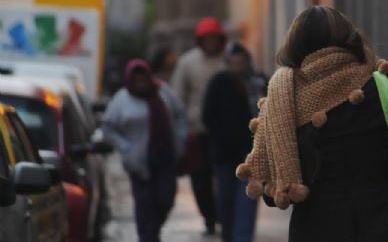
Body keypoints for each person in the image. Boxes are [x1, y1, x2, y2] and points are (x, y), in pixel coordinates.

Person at [236, 6, 388, 242]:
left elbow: (271, 196)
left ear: (294, 46)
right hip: (386, 228)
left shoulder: (284, 101)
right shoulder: (382, 84)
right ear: (349, 38)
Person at [101, 59, 187, 242]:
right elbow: (108, 127)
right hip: (139, 163)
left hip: (165, 158)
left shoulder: (163, 93)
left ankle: (151, 232)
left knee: (165, 201)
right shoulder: (122, 99)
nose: (141, 84)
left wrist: (181, 140)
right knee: (145, 205)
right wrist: (125, 147)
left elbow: (179, 114)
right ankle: (148, 237)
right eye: (136, 80)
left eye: (143, 79)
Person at [202, 43, 265, 242]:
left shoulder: (259, 82)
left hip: (253, 154)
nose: (237, 67)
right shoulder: (219, 82)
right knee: (226, 201)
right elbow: (208, 115)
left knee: (247, 201)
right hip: (225, 155)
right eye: (234, 63)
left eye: (241, 63)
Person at [171, 17, 226, 235]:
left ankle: (223, 215)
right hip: (197, 130)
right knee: (199, 177)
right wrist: (181, 126)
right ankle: (209, 218)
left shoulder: (228, 59)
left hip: (223, 132)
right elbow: (177, 95)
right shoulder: (188, 62)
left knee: (224, 177)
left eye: (214, 39)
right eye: (207, 39)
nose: (211, 43)